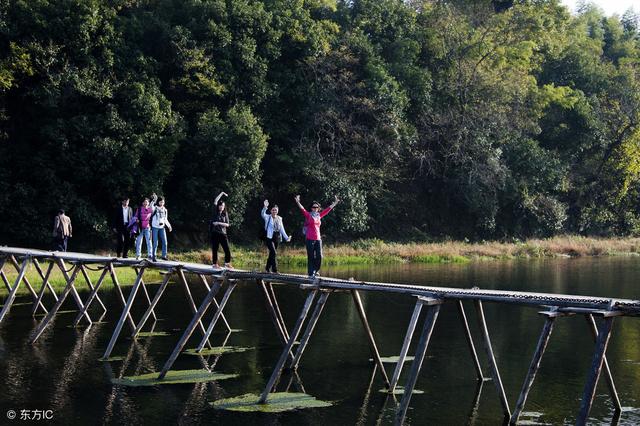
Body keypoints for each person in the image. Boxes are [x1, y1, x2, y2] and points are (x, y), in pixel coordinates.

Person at [294, 195, 340, 277]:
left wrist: (335, 202)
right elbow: (302, 209)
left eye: (317, 207)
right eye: (313, 207)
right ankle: (311, 272)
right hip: (309, 239)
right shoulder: (308, 215)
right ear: (311, 208)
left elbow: (328, 209)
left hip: (318, 239)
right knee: (311, 256)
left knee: (319, 256)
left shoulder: (319, 215)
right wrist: (298, 202)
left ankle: (316, 270)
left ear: (318, 208)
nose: (315, 208)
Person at [261, 200, 291, 273]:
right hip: (269, 237)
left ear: (277, 211)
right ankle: (275, 270)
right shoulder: (267, 217)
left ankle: (267, 268)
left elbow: (282, 229)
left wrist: (286, 238)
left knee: (272, 253)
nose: (274, 211)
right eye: (273, 210)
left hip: (277, 237)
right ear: (271, 211)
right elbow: (262, 214)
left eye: (276, 210)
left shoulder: (280, 218)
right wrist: (265, 207)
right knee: (274, 252)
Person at [130, 193, 157, 260]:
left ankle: (150, 255)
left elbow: (154, 203)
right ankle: (138, 255)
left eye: (146, 202)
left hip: (148, 228)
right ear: (142, 203)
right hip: (140, 228)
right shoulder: (139, 209)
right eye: (144, 202)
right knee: (139, 241)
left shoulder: (151, 209)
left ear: (148, 203)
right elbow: (135, 217)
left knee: (149, 242)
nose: (145, 203)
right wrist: (137, 220)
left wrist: (155, 197)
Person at [210, 191, 232, 268]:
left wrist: (218, 223)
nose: (221, 207)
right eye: (220, 205)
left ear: (224, 206)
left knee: (227, 249)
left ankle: (227, 263)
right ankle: (214, 264)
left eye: (222, 205)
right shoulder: (215, 212)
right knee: (215, 249)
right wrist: (222, 193)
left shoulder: (225, 214)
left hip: (223, 234)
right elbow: (216, 200)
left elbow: (227, 224)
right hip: (215, 233)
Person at [151, 196, 172, 261]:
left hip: (162, 227)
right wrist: (154, 199)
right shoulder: (155, 208)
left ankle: (164, 256)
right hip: (155, 227)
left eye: (163, 202)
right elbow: (151, 205)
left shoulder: (165, 210)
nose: (162, 203)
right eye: (160, 202)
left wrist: (169, 226)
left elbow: (165, 219)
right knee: (155, 242)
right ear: (158, 202)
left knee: (165, 242)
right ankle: (154, 256)